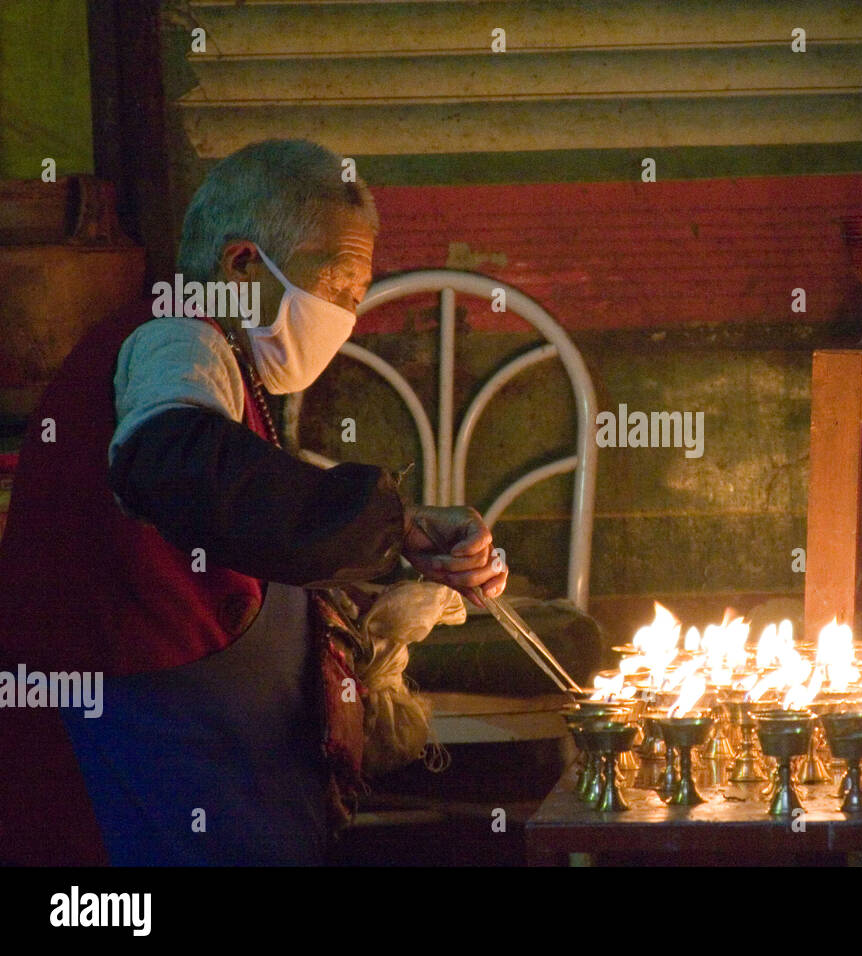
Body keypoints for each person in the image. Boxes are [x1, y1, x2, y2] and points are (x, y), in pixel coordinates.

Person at [0, 139, 506, 865]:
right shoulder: (176, 340)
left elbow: (254, 511)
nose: (345, 318)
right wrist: (385, 523)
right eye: (335, 289)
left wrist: (402, 539)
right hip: (132, 758)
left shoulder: (230, 370)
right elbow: (182, 468)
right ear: (241, 265)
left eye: (356, 300)